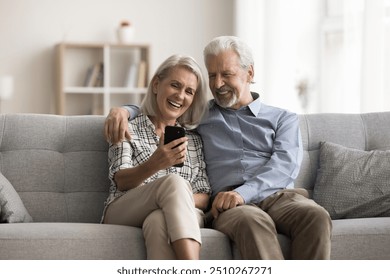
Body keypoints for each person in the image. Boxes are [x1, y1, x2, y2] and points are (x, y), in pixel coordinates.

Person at [104, 36, 332, 260]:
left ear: (249, 73)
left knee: (316, 216)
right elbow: (165, 109)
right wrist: (124, 110)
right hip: (227, 204)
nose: (217, 84)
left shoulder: (283, 118)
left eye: (227, 74)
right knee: (252, 222)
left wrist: (242, 194)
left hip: (279, 196)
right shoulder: (201, 116)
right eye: (212, 75)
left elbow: (285, 166)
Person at [101, 54, 211, 260]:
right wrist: (155, 163)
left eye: (189, 91)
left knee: (158, 220)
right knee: (173, 183)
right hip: (123, 208)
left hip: (184, 212)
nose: (180, 96)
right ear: (156, 85)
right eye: (175, 85)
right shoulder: (128, 127)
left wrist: (172, 201)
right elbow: (121, 181)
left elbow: (204, 197)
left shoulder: (194, 141)